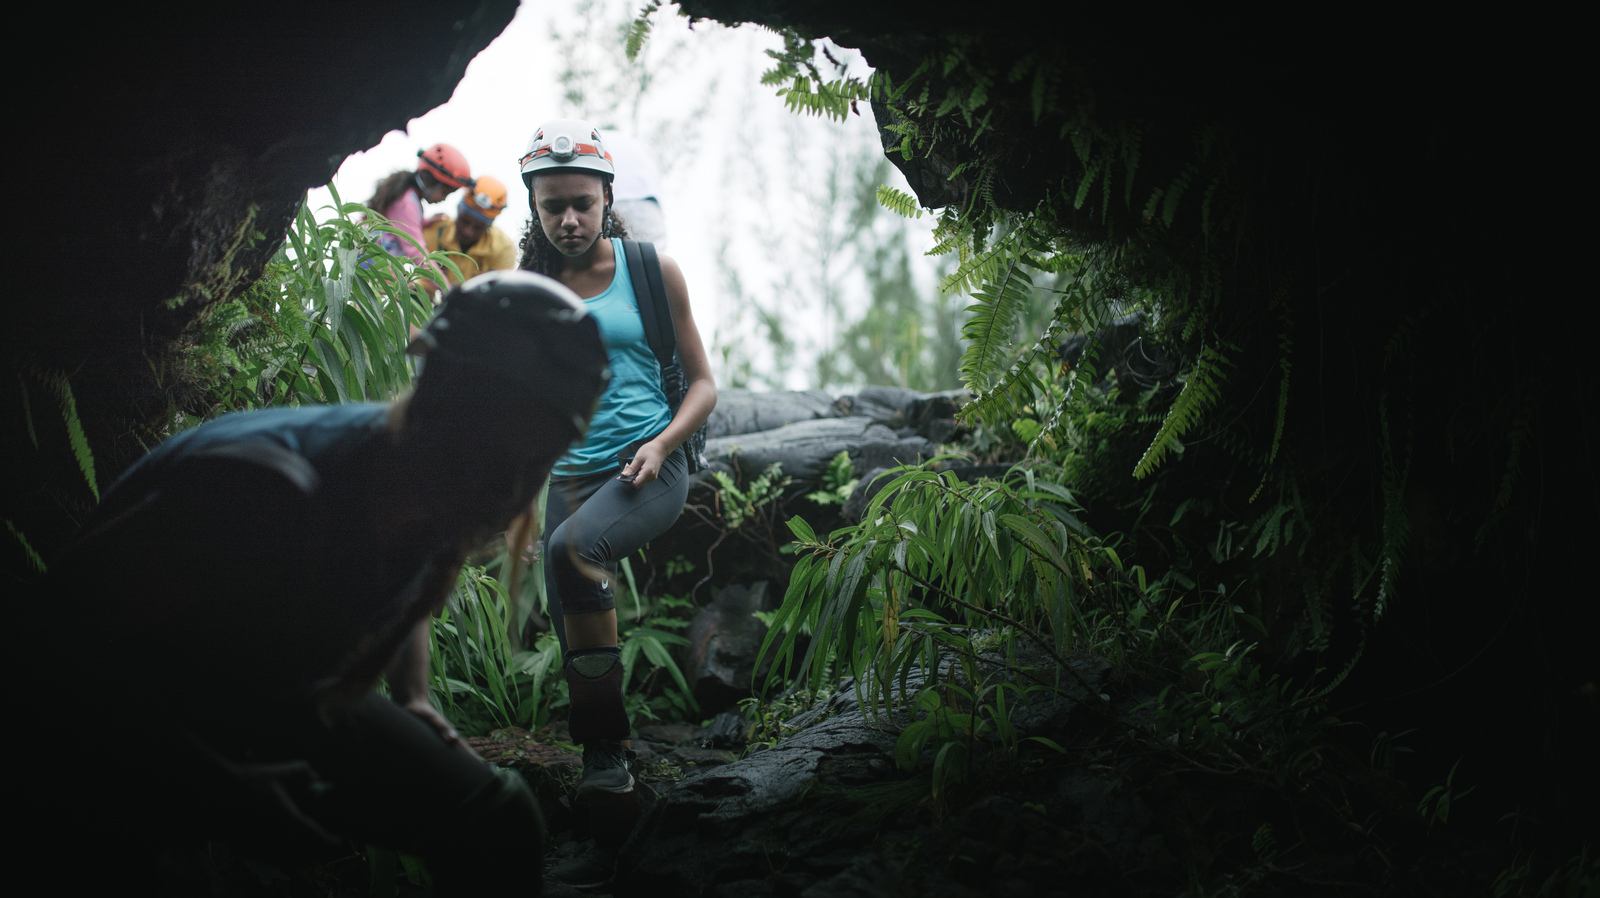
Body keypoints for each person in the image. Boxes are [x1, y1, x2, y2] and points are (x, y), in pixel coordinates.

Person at [10, 272, 609, 894]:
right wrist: (216, 785)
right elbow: (54, 659)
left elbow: (415, 576)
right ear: (440, 408)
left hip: (272, 695)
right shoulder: (259, 491)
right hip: (97, 732)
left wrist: (413, 699)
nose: (513, 494)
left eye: (536, 464)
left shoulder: (434, 483)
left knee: (497, 817)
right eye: (500, 460)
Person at [515, 119, 716, 828]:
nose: (569, 220)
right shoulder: (525, 287)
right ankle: (607, 764)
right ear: (533, 208)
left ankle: (606, 758)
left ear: (606, 197)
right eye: (552, 206)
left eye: (582, 203)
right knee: (572, 610)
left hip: (646, 466)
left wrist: (664, 445)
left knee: (577, 552)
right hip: (566, 476)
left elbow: (703, 385)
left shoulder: (650, 272)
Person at [365, 142, 475, 294]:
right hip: (369, 276)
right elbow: (417, 252)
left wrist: (424, 222)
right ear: (431, 180)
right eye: (445, 192)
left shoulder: (407, 195)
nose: (444, 199)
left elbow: (398, 224)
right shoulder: (407, 203)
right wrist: (447, 289)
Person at [423, 175, 518, 285]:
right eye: (464, 221)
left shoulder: (502, 248)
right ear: (458, 211)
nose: (468, 231)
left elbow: (500, 295)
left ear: (489, 226)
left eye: (478, 227)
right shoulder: (434, 231)